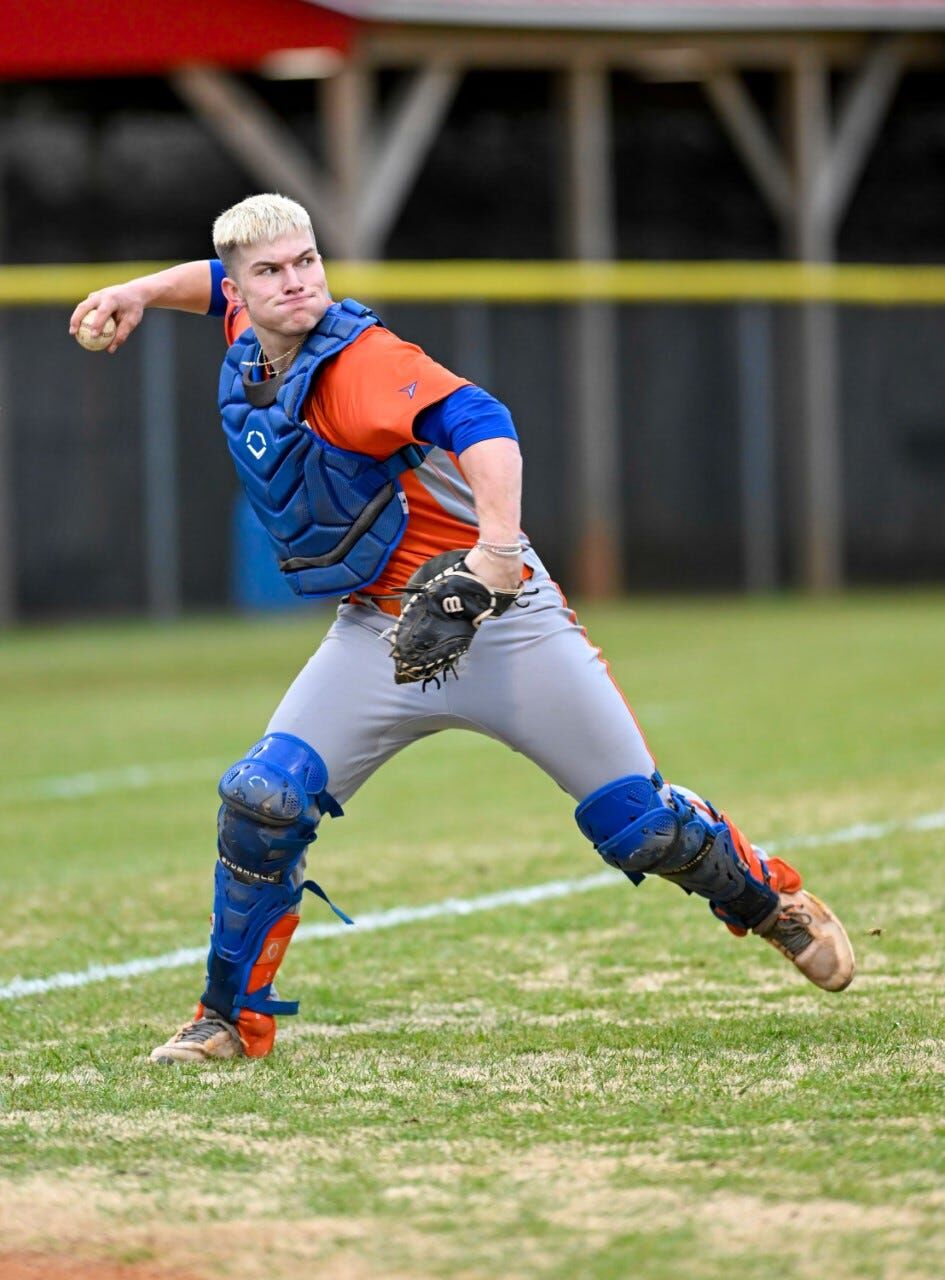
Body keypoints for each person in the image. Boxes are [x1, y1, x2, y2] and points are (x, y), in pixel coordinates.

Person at [70, 194, 854, 1064]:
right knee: (262, 798)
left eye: (307, 262)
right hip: (379, 630)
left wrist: (496, 555)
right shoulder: (249, 323)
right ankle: (227, 1019)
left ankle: (765, 901)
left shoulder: (361, 363)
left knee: (641, 828)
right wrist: (138, 292)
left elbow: (484, 424)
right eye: (271, 272)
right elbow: (211, 281)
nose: (295, 283)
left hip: (507, 625)